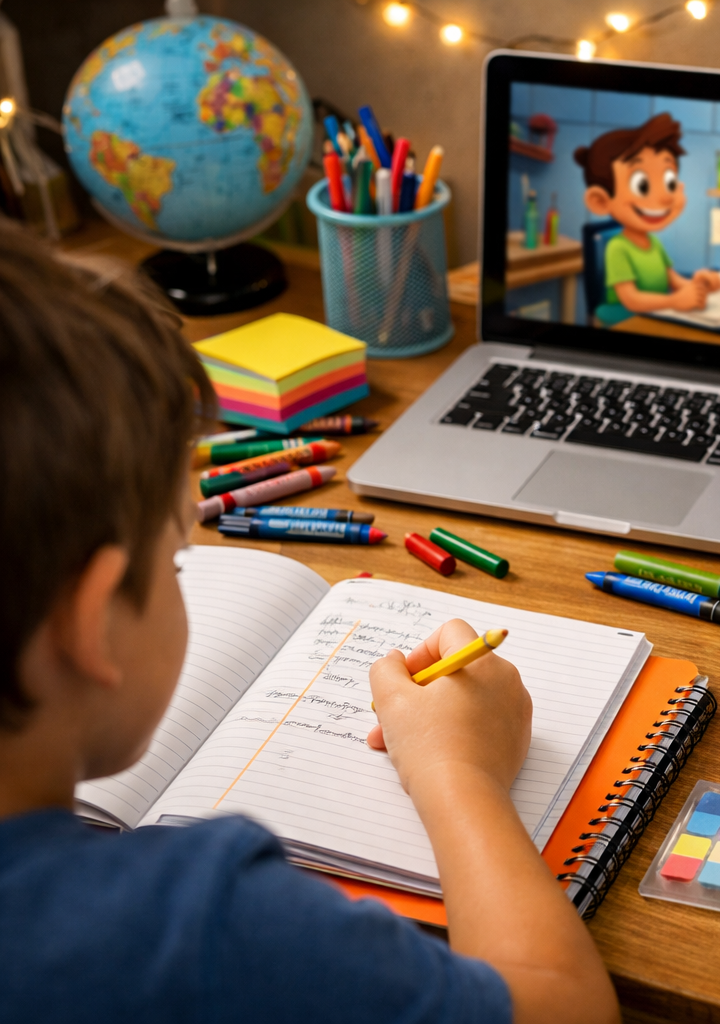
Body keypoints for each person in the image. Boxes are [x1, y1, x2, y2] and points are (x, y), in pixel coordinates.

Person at [0, 220, 619, 1024]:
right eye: (178, 562)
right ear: (91, 624)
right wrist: (459, 776)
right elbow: (564, 1009)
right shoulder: (204, 927)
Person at [575, 112, 720, 317]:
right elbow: (631, 299)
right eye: (642, 185)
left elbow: (674, 280)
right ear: (600, 201)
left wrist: (700, 285)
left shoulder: (654, 243)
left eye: (669, 182)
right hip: (625, 318)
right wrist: (673, 301)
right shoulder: (617, 248)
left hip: (654, 313)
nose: (664, 196)